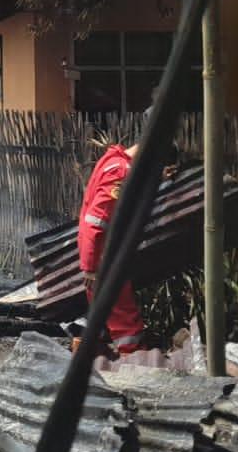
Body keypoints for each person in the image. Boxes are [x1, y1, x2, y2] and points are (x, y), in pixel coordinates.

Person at [77, 135, 180, 355]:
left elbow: (132, 184)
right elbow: (96, 221)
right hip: (106, 258)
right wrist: (91, 267)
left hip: (101, 254)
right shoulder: (120, 173)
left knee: (104, 318)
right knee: (125, 322)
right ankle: (134, 362)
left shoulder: (113, 160)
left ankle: (89, 356)